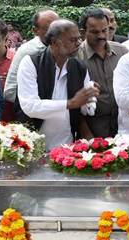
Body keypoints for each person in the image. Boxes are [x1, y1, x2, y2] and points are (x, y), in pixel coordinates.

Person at [17, 19, 99, 150]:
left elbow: (85, 110)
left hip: (67, 145)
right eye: (73, 40)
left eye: (79, 38)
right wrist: (70, 103)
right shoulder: (31, 63)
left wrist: (90, 96)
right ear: (55, 42)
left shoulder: (79, 67)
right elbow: (29, 106)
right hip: (32, 145)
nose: (79, 43)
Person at [78, 9, 128, 138]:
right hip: (93, 130)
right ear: (83, 32)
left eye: (104, 30)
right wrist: (86, 134)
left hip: (123, 128)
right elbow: (72, 99)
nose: (101, 35)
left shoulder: (122, 52)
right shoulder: (76, 57)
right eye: (95, 32)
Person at [4, 9, 60, 104]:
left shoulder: (68, 49)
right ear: (35, 31)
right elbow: (10, 91)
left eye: (58, 26)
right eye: (48, 28)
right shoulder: (26, 51)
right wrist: (37, 105)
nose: (56, 32)